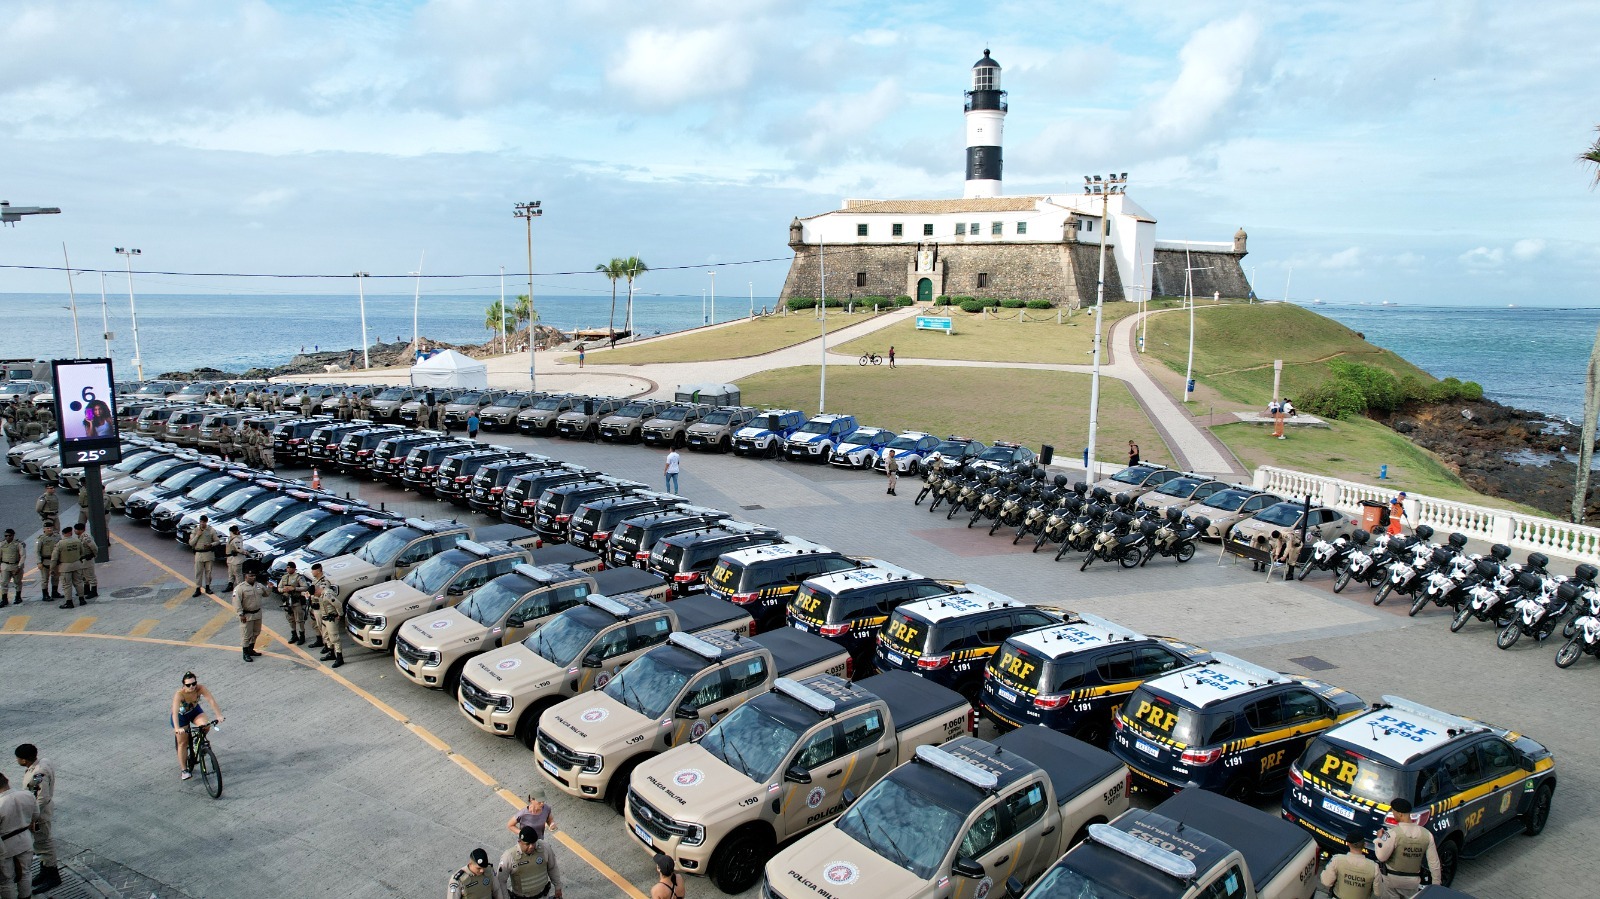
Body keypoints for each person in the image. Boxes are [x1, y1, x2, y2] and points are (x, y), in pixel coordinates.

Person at [1373, 798, 1441, 898]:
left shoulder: (1392, 834)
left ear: (1400, 814)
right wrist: (1436, 885)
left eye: (1394, 812)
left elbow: (1381, 857)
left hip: (1391, 879)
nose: (1393, 814)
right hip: (1412, 881)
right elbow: (1434, 863)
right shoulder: (1427, 835)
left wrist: (1379, 839)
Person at [15, 744, 56, 892]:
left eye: (18, 759)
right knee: (40, 844)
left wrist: (33, 818)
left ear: (24, 760)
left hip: (40, 814)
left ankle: (52, 875)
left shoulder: (39, 772)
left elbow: (42, 798)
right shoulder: (43, 762)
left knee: (45, 844)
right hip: (38, 812)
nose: (17, 761)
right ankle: (45, 871)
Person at [170, 671, 223, 780]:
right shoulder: (179, 694)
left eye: (194, 683)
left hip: (194, 712)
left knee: (205, 725)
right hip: (181, 717)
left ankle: (197, 741)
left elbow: (211, 700)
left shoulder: (200, 688)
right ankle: (184, 770)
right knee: (182, 742)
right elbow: (174, 712)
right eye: (188, 685)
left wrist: (219, 715)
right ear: (183, 685)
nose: (192, 686)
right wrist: (177, 728)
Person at [495, 826, 563, 899]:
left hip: (543, 896)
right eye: (527, 844)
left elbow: (552, 867)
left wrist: (558, 886)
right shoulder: (509, 856)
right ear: (519, 842)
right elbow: (501, 881)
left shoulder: (544, 848)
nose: (531, 846)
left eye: (533, 843)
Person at [0, 770, 38, 899]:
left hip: (5, 846)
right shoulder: (27, 795)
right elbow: (36, 814)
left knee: (6, 880)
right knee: (26, 872)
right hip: (25, 839)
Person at [1319, 831, 1379, 898]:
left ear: (1348, 844)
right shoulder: (1374, 866)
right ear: (1365, 844)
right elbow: (1378, 892)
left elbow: (1326, 882)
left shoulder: (1337, 859)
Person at [310, 562, 344, 668]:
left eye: (315, 594)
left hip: (330, 618)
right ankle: (331, 652)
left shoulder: (327, 594)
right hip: (324, 618)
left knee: (334, 638)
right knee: (325, 635)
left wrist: (340, 615)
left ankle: (339, 657)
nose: (315, 596)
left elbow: (338, 604)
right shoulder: (320, 594)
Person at [233, 570, 268, 662]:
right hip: (247, 615)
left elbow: (266, 594)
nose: (253, 577)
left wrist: (270, 588)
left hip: (257, 614)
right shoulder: (240, 588)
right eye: (251, 576)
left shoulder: (259, 586)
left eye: (254, 575)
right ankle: (245, 653)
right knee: (246, 635)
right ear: (246, 577)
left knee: (256, 632)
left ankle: (251, 649)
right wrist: (240, 614)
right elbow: (236, 602)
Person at [49, 526, 84, 611]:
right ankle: (82, 599)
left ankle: (69, 602)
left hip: (65, 567)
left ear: (64, 534)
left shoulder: (60, 544)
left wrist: (52, 569)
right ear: (71, 533)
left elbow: (54, 558)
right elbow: (82, 552)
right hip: (77, 565)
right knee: (78, 582)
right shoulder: (77, 541)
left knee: (66, 585)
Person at [276, 561, 311, 646]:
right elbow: (279, 588)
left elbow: (305, 587)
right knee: (290, 619)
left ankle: (302, 635)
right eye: (287, 567)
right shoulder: (284, 577)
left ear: (294, 569)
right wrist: (283, 590)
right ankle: (294, 635)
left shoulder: (298, 577)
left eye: (290, 567)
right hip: (287, 601)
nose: (288, 569)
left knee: (299, 619)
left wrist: (294, 588)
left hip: (296, 601)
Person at [189, 515, 219, 596]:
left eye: (204, 522)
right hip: (199, 553)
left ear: (206, 522)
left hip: (208, 553)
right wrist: (197, 535)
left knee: (208, 572)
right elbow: (191, 543)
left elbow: (217, 541)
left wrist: (211, 544)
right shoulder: (195, 530)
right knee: (198, 572)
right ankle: (198, 588)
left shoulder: (211, 530)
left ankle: (208, 586)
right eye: (201, 522)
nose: (202, 523)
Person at [34, 524, 60, 601]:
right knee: (45, 579)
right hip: (45, 561)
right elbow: (37, 551)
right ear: (44, 529)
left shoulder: (57, 537)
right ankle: (45, 594)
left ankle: (55, 592)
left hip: (55, 561)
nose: (49, 529)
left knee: (56, 577)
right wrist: (39, 562)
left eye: (51, 528)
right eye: (47, 528)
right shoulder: (41, 539)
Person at [73, 523, 97, 601]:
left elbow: (94, 547)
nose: (74, 531)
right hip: (82, 560)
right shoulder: (80, 537)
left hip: (88, 559)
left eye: (76, 529)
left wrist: (93, 555)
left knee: (90, 575)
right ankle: (86, 590)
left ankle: (94, 591)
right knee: (84, 576)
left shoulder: (86, 538)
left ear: (81, 530)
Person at [0, 530, 22, 608]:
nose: (7, 537)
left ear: (13, 536)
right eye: (6, 536)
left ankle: (18, 597)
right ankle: (4, 599)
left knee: (17, 582)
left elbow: (23, 556)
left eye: (9, 536)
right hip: (5, 565)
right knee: (3, 583)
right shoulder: (2, 544)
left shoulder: (18, 544)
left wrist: (19, 566)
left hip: (15, 565)